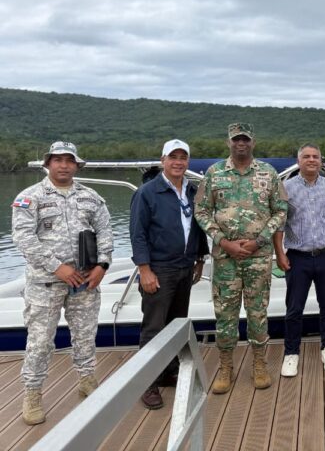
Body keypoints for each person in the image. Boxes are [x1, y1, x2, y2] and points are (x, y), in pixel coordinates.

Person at [11, 141, 113, 425]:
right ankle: (32, 393)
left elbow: (105, 231)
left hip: (85, 282)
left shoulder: (91, 197)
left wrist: (102, 265)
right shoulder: (30, 197)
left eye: (69, 160)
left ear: (77, 165)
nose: (64, 165)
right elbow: (23, 239)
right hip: (45, 284)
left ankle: (87, 379)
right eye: (58, 160)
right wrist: (58, 268)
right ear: (48, 164)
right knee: (40, 342)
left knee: (85, 335)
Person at [195, 123, 288, 393]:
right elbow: (201, 211)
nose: (241, 144)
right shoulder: (214, 173)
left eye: (245, 139)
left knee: (258, 312)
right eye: (236, 140)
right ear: (229, 143)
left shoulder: (268, 174)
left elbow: (281, 211)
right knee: (225, 315)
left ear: (253, 142)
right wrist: (223, 241)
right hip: (225, 258)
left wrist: (259, 240)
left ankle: (259, 364)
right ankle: (226, 366)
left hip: (258, 258)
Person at [130, 139, 210, 409]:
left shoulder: (192, 191)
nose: (178, 162)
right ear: (163, 160)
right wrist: (144, 269)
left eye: (183, 157)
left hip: (185, 267)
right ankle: (147, 382)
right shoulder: (147, 192)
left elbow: (197, 227)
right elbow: (137, 234)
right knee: (153, 327)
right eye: (172, 157)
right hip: (158, 268)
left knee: (176, 323)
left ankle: (167, 372)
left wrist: (200, 257)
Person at [275, 143, 325, 377]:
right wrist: (279, 253)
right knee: (294, 308)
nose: (311, 160)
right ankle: (291, 353)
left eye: (316, 156)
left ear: (321, 160)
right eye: (306, 156)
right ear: (299, 160)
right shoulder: (286, 187)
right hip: (297, 257)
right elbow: (279, 224)